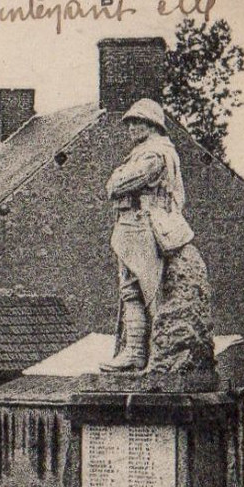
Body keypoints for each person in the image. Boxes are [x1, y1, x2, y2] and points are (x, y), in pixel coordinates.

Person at [101, 98, 193, 371]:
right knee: (132, 290)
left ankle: (149, 353)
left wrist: (116, 179)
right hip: (135, 223)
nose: (131, 128)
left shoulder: (154, 154)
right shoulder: (149, 151)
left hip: (143, 224)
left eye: (137, 122)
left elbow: (121, 183)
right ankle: (137, 352)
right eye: (129, 122)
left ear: (152, 124)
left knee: (144, 289)